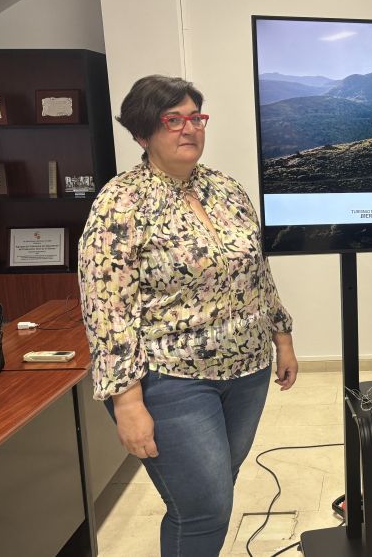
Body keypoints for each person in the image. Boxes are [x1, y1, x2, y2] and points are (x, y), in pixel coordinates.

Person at [78, 75, 298, 556]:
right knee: (203, 508)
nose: (188, 129)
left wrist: (281, 336)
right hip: (170, 378)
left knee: (216, 487)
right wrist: (127, 401)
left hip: (247, 369)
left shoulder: (226, 189)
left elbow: (257, 272)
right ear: (142, 133)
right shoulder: (120, 205)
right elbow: (106, 310)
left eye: (195, 118)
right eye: (172, 120)